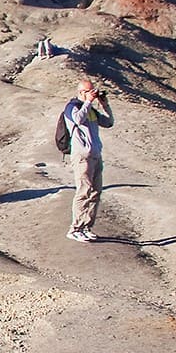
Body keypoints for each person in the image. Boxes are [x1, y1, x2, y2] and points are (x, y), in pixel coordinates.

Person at [62, 77, 114, 242]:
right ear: (80, 93)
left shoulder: (91, 110)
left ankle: (86, 226)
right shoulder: (72, 107)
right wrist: (88, 102)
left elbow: (108, 122)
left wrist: (104, 104)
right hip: (82, 156)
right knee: (84, 191)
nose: (91, 94)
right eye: (88, 91)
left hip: (96, 155)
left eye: (92, 91)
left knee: (96, 192)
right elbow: (77, 120)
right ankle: (75, 228)